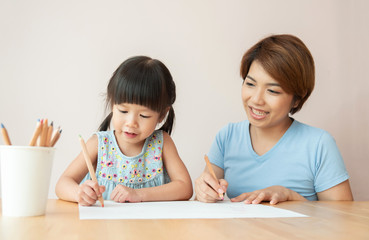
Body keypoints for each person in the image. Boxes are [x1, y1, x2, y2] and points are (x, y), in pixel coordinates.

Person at [195, 34, 353, 204]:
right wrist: (204, 193)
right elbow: (206, 200)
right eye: (250, 84)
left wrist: (290, 195)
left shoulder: (319, 144)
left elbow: (343, 218)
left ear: (297, 99)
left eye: (273, 91)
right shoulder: (227, 137)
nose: (256, 99)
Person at [56, 56, 193, 206]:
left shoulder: (162, 143)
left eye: (144, 115)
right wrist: (79, 193)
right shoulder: (99, 143)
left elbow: (185, 188)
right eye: (123, 111)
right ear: (112, 105)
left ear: (162, 115)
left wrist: (139, 194)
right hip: (105, 227)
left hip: (151, 228)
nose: (131, 123)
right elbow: (62, 184)